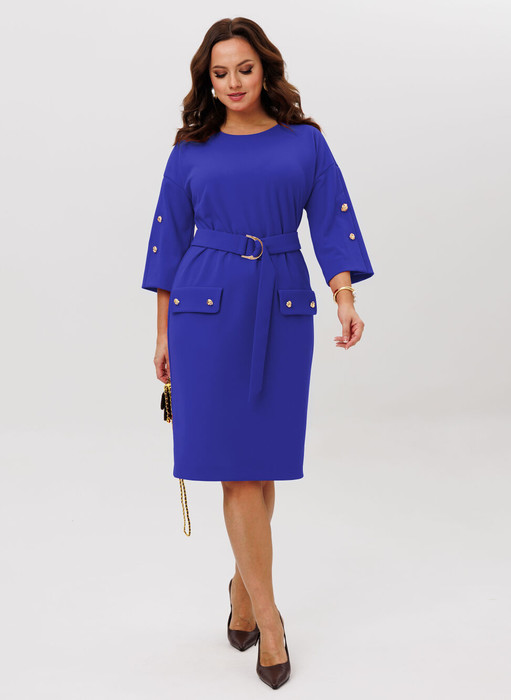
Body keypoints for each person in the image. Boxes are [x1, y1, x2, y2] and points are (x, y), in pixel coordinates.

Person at [141, 17, 374, 690]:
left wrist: (344, 298)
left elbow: (331, 220)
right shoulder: (190, 150)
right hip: (204, 311)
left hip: (281, 304)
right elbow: (167, 243)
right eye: (220, 73)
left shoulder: (305, 143)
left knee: (263, 466)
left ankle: (243, 591)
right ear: (207, 81)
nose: (233, 82)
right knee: (238, 474)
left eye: (244, 69)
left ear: (265, 68)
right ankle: (270, 620)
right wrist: (162, 334)